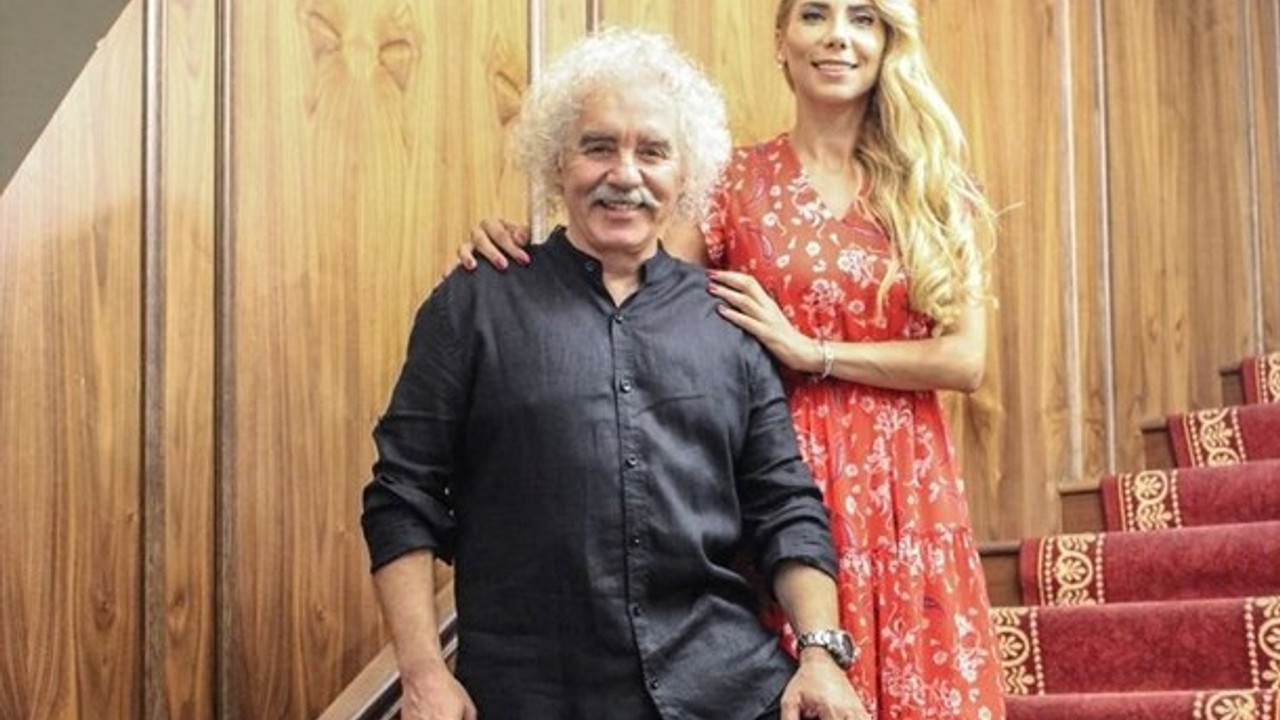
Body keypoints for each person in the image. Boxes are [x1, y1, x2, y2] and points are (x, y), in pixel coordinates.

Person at [455, 2, 1006, 718]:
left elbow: (965, 359)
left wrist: (812, 352)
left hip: (907, 485)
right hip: (774, 473)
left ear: (887, 43)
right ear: (781, 40)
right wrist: (527, 251)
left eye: (864, 19)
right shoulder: (732, 184)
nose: (838, 36)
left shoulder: (934, 182)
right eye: (815, 14)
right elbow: (636, 289)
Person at [361, 28, 871, 720]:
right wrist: (423, 673)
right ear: (556, 163)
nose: (625, 174)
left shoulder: (731, 320)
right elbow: (402, 495)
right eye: (598, 147)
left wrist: (819, 656)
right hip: (534, 696)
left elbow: (785, 506)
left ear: (684, 175)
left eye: (653, 152)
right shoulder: (474, 304)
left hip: (726, 690)